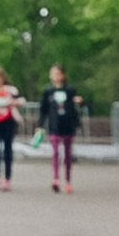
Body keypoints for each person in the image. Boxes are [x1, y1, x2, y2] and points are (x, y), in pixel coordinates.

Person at [40, 66, 85, 194]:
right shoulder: (48, 91)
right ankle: (56, 179)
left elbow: (78, 105)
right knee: (55, 152)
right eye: (53, 74)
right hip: (54, 125)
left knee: (68, 154)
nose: (56, 76)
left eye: (58, 74)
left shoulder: (70, 90)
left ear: (63, 75)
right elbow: (43, 109)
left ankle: (68, 181)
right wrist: (40, 125)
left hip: (68, 124)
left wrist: (80, 102)